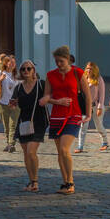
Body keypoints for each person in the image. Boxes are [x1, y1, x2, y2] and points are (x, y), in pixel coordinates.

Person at [41, 45, 90, 194]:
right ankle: (65, 182)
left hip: (73, 115)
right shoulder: (50, 75)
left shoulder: (78, 73)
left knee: (64, 148)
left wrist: (88, 114)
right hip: (56, 116)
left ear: (68, 59)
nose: (58, 64)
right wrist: (57, 101)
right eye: (56, 61)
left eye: (61, 61)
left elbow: (87, 96)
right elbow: (47, 96)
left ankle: (70, 182)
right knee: (60, 152)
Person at [11, 60, 48, 192]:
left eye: (28, 69)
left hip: (38, 121)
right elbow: (14, 103)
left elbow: (50, 95)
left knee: (31, 152)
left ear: (33, 71)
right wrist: (13, 104)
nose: (26, 71)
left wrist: (49, 99)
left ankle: (36, 181)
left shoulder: (41, 84)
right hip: (24, 121)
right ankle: (31, 181)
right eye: (23, 69)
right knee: (26, 154)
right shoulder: (18, 87)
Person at [75, 61, 109, 153]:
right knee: (83, 127)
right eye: (87, 68)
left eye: (91, 68)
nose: (88, 70)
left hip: (96, 106)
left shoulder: (98, 79)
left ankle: (105, 142)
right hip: (85, 107)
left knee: (98, 126)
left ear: (94, 70)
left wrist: (100, 107)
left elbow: (102, 95)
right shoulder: (83, 78)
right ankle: (80, 146)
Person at [0, 54, 20, 153]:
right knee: (6, 125)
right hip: (3, 103)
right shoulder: (1, 73)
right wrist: (0, 79)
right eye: (11, 62)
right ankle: (8, 143)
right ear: (6, 63)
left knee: (13, 125)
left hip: (14, 103)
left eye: (14, 63)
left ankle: (11, 144)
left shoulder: (17, 75)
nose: (13, 64)